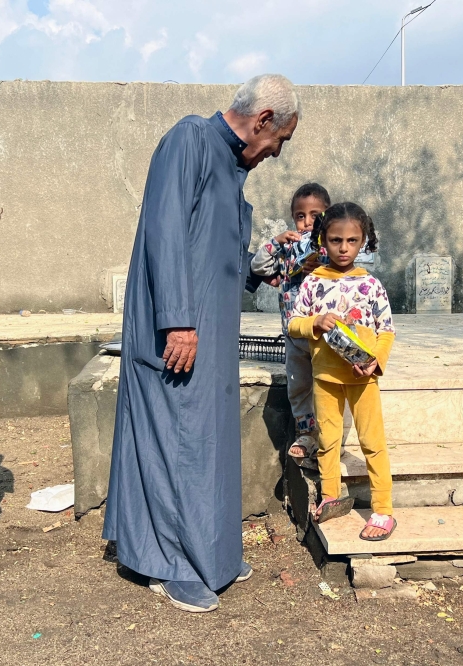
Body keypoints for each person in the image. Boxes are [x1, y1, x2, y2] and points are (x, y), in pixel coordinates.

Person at [103, 74, 300, 612]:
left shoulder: (230, 166)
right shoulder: (189, 140)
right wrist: (177, 321)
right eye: (280, 140)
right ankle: (170, 564)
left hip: (209, 330)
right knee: (178, 439)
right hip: (180, 330)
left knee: (206, 438)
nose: (275, 153)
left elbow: (216, 252)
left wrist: (259, 271)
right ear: (263, 120)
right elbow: (165, 232)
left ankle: (210, 551)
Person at [288, 202, 397, 541]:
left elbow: (386, 331)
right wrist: (314, 323)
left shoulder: (371, 285)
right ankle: (330, 496)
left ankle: (383, 509)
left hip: (362, 378)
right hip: (324, 377)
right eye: (336, 240)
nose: (344, 248)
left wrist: (375, 361)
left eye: (352, 241)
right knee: (328, 441)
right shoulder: (312, 283)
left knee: (372, 442)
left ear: (363, 240)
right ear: (323, 240)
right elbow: (293, 324)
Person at [249, 183, 331, 467]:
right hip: (294, 334)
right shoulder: (286, 249)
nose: (307, 222)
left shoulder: (331, 247)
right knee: (299, 385)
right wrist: (276, 242)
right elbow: (259, 267)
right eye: (300, 216)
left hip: (322, 335)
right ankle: (306, 433)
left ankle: (328, 435)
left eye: (314, 215)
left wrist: (319, 264)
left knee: (326, 384)